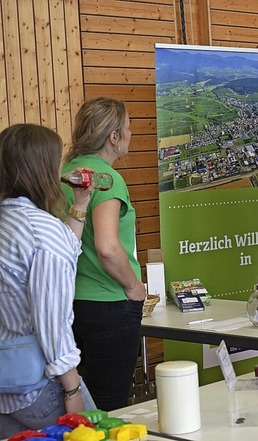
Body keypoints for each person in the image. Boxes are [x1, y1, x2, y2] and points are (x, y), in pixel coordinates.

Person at [0, 124, 96, 437]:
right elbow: (52, 322)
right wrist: (72, 391)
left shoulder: (10, 221)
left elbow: (62, 248)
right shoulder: (42, 231)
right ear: (41, 168)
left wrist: (79, 205)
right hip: (40, 385)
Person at [61, 97, 147, 411]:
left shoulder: (64, 173)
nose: (130, 135)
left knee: (76, 410)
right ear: (114, 137)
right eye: (128, 129)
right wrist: (133, 286)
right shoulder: (106, 180)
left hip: (68, 304)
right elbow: (108, 248)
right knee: (108, 411)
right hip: (109, 305)